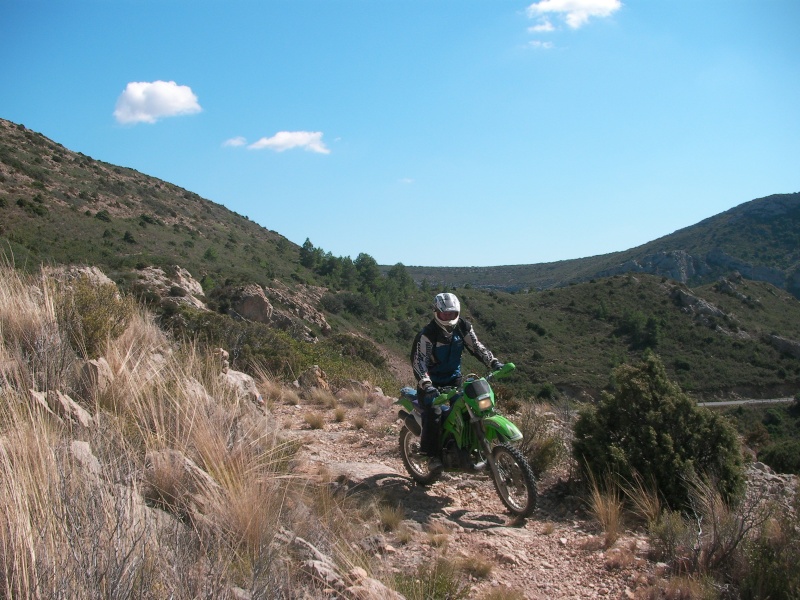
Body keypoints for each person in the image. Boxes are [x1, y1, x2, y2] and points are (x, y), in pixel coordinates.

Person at [411, 292, 504, 469]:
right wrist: (426, 384)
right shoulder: (428, 334)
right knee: (435, 412)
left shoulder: (462, 327)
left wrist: (493, 362)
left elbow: (476, 347)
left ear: (458, 313)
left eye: (452, 314)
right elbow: (419, 362)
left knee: (471, 409)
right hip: (431, 384)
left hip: (454, 379)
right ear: (436, 312)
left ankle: (469, 448)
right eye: (444, 314)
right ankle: (431, 456)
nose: (448, 317)